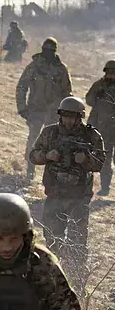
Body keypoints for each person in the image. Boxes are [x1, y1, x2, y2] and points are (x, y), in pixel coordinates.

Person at [29, 96, 104, 294]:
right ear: (60, 115)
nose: (68, 121)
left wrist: (85, 159)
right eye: (65, 116)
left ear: (80, 117)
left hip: (79, 198)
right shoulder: (50, 133)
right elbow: (33, 155)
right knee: (52, 239)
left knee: (77, 242)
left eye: (73, 117)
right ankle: (52, 282)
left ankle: (76, 286)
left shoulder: (91, 136)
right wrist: (47, 156)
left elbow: (100, 163)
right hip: (55, 195)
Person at [16, 37, 73, 181]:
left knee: (53, 142)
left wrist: (66, 113)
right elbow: (22, 87)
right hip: (35, 109)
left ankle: (51, 173)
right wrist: (22, 108)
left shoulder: (61, 69)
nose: (47, 53)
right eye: (45, 50)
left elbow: (67, 92)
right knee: (33, 140)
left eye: (50, 50)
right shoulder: (34, 66)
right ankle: (30, 170)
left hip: (54, 112)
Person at [86, 60, 115, 196]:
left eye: (113, 73)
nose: (110, 75)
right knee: (105, 159)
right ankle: (105, 187)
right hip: (103, 129)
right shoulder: (99, 85)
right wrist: (98, 95)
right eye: (109, 73)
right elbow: (89, 100)